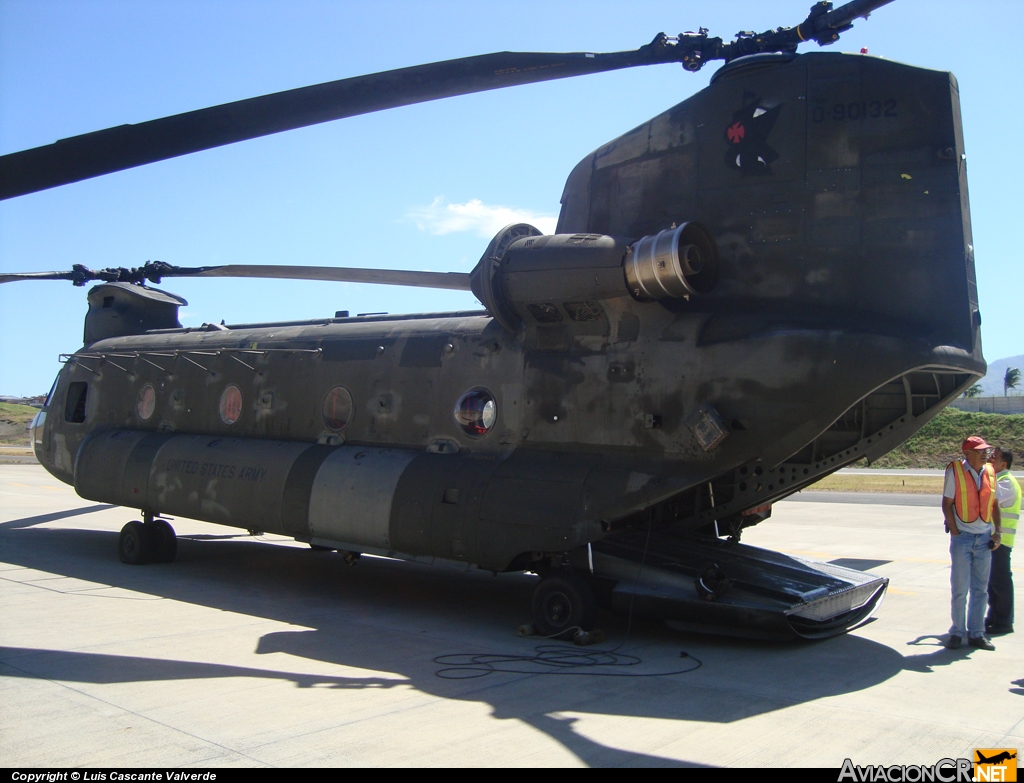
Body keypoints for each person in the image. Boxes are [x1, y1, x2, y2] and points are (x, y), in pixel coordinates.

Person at [941, 435, 1002, 650]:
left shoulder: (991, 472)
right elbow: (947, 504)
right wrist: (956, 532)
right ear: (967, 454)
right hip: (963, 539)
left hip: (984, 538)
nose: (985, 454)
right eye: (980, 450)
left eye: (986, 450)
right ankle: (957, 632)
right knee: (960, 588)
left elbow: (994, 504)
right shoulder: (955, 472)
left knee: (980, 589)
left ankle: (976, 633)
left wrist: (997, 533)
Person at [986, 447, 1018, 635]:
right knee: (993, 583)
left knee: (1000, 582)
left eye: (994, 457)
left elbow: (990, 500)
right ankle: (994, 618)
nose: (990, 458)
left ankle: (1004, 622)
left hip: (1001, 541)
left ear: (1003, 464)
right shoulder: (998, 480)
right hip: (994, 541)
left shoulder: (1005, 483)